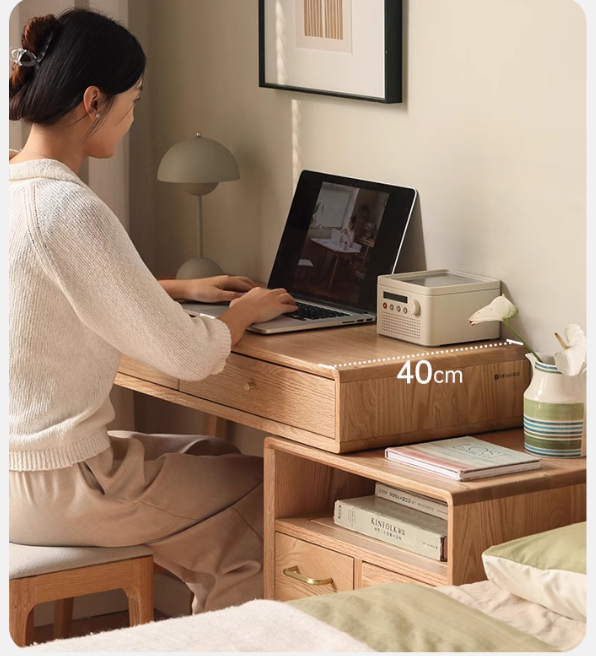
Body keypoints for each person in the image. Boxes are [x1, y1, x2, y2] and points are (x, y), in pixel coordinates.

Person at [8, 7, 297, 613]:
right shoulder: (71, 209)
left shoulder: (16, 188)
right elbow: (190, 355)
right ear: (94, 102)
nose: (134, 116)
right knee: (263, 494)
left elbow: (45, 290)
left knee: (217, 457)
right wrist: (244, 309)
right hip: (64, 485)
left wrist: (180, 289)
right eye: (132, 100)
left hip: (19, 475)